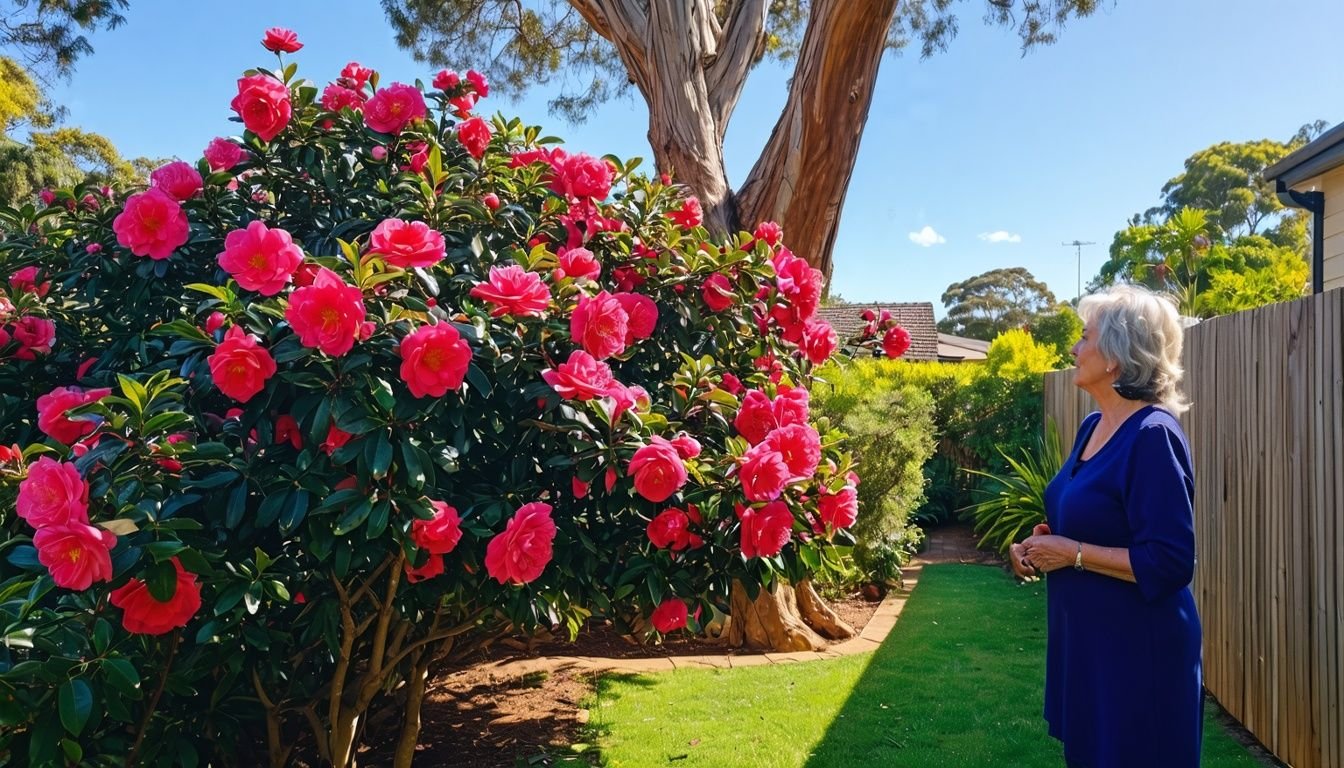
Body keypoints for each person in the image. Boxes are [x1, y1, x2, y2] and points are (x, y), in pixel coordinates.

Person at [1012, 284, 1202, 767]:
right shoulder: (1092, 426)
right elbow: (1089, 518)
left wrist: (1072, 552)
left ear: (1115, 355)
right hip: (1092, 650)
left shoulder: (1152, 436)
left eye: (1084, 337)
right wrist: (1039, 544)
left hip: (1139, 655)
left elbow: (1171, 561)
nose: (1073, 349)